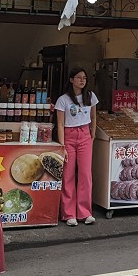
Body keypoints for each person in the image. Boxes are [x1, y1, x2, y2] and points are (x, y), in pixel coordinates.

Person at [55, 67, 98, 226]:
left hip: (85, 135)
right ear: (71, 80)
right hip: (69, 135)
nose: (82, 80)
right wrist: (62, 146)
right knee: (68, 175)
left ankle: (85, 212)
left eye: (84, 78)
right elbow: (59, 124)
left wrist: (92, 134)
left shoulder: (90, 96)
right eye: (79, 78)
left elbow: (94, 116)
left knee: (86, 174)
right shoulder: (63, 100)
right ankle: (68, 213)